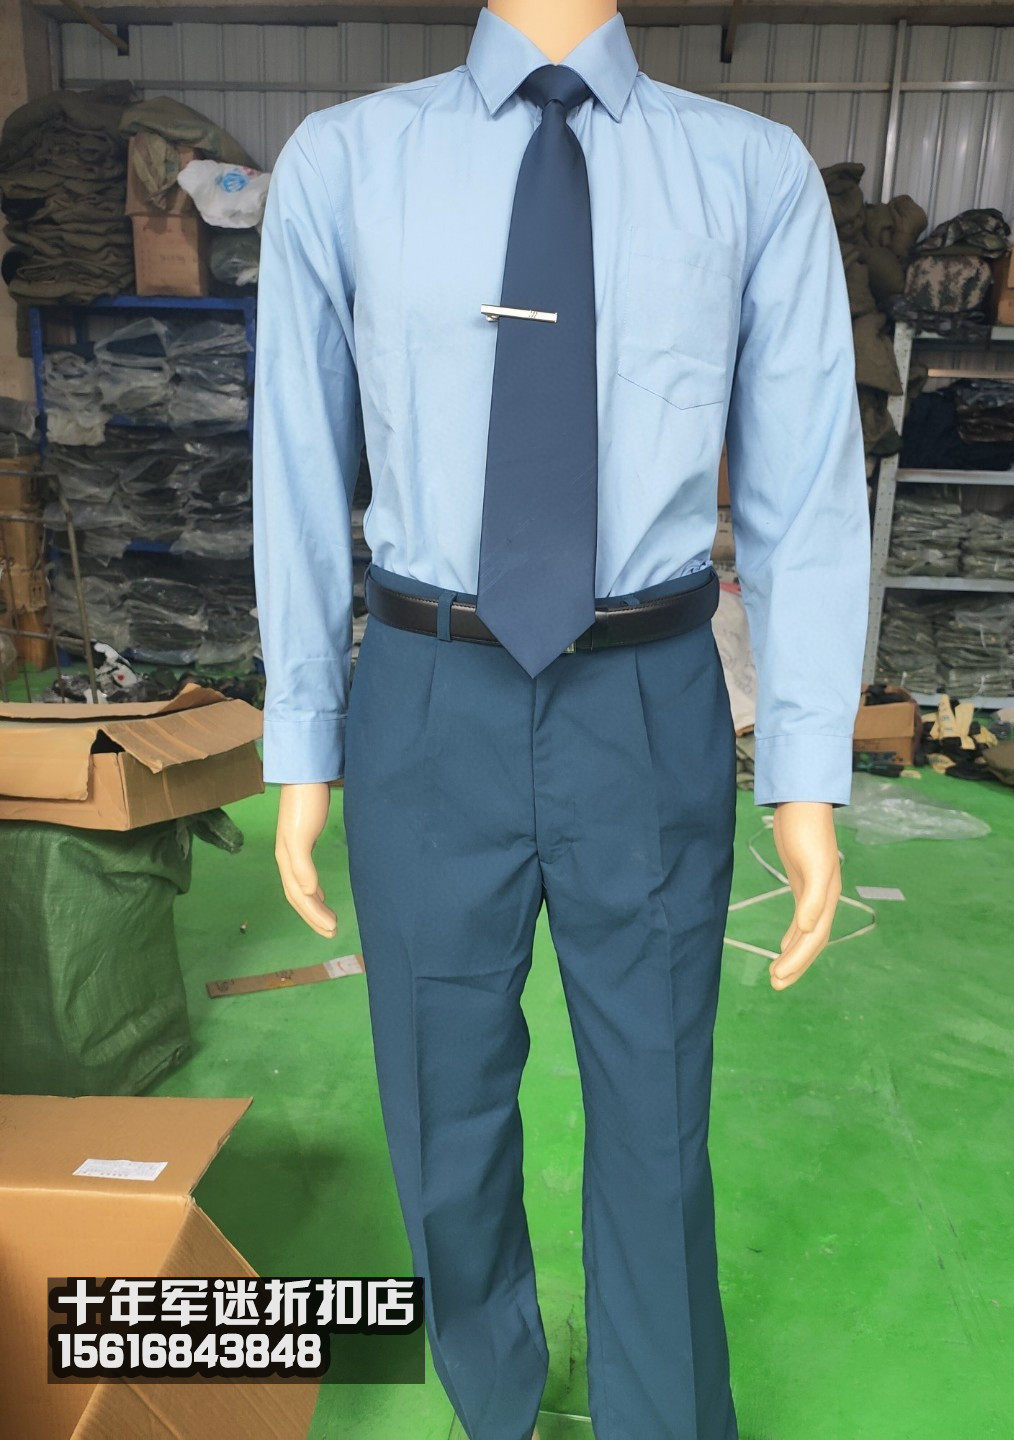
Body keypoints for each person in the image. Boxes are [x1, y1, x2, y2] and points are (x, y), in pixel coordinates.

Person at [252, 2, 871, 1436]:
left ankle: (667, 1415)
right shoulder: (344, 162)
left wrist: (804, 768)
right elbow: (294, 459)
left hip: (644, 694)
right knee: (440, 1102)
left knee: (656, 1108)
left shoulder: (750, 171)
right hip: (426, 692)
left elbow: (805, 487)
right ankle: (492, 1396)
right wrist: (304, 738)